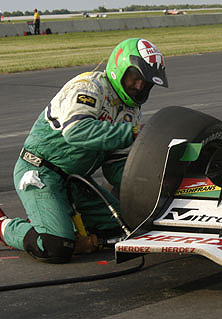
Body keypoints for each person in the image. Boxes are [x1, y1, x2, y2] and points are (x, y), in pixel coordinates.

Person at [0, 38, 168, 263]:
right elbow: (77, 131)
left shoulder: (131, 112)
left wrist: (153, 181)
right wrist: (133, 133)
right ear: (120, 68)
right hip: (41, 173)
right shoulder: (90, 87)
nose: (139, 86)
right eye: (135, 78)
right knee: (57, 247)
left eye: (146, 83)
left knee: (129, 226)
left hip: (77, 181)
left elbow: (115, 169)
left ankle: (56, 222)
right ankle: (5, 227)